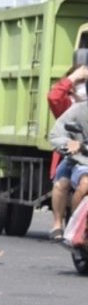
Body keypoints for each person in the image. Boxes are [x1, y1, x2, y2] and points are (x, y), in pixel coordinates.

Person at [46, 64, 88, 241]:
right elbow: (54, 98)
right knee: (62, 184)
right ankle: (65, 224)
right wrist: (74, 77)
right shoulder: (72, 108)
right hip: (76, 158)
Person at [49, 99, 88, 221]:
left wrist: (82, 146)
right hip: (81, 161)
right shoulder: (77, 110)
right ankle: (73, 224)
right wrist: (69, 143)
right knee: (64, 184)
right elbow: (55, 134)